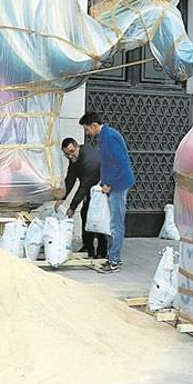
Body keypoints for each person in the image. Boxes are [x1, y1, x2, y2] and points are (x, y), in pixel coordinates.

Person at [79, 111, 135, 273]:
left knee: (115, 224)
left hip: (118, 185)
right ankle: (112, 257)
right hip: (114, 183)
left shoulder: (109, 137)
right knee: (112, 223)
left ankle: (114, 260)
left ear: (94, 125)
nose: (87, 133)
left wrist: (108, 183)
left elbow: (120, 163)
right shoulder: (105, 136)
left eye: (87, 129)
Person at [57, 137, 106, 259]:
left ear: (77, 147)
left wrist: (72, 207)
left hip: (102, 187)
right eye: (67, 154)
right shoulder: (75, 158)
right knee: (85, 214)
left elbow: (83, 187)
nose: (70, 156)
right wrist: (62, 197)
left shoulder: (88, 160)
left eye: (72, 152)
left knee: (98, 219)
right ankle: (88, 246)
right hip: (91, 187)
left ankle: (102, 251)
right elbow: (70, 179)